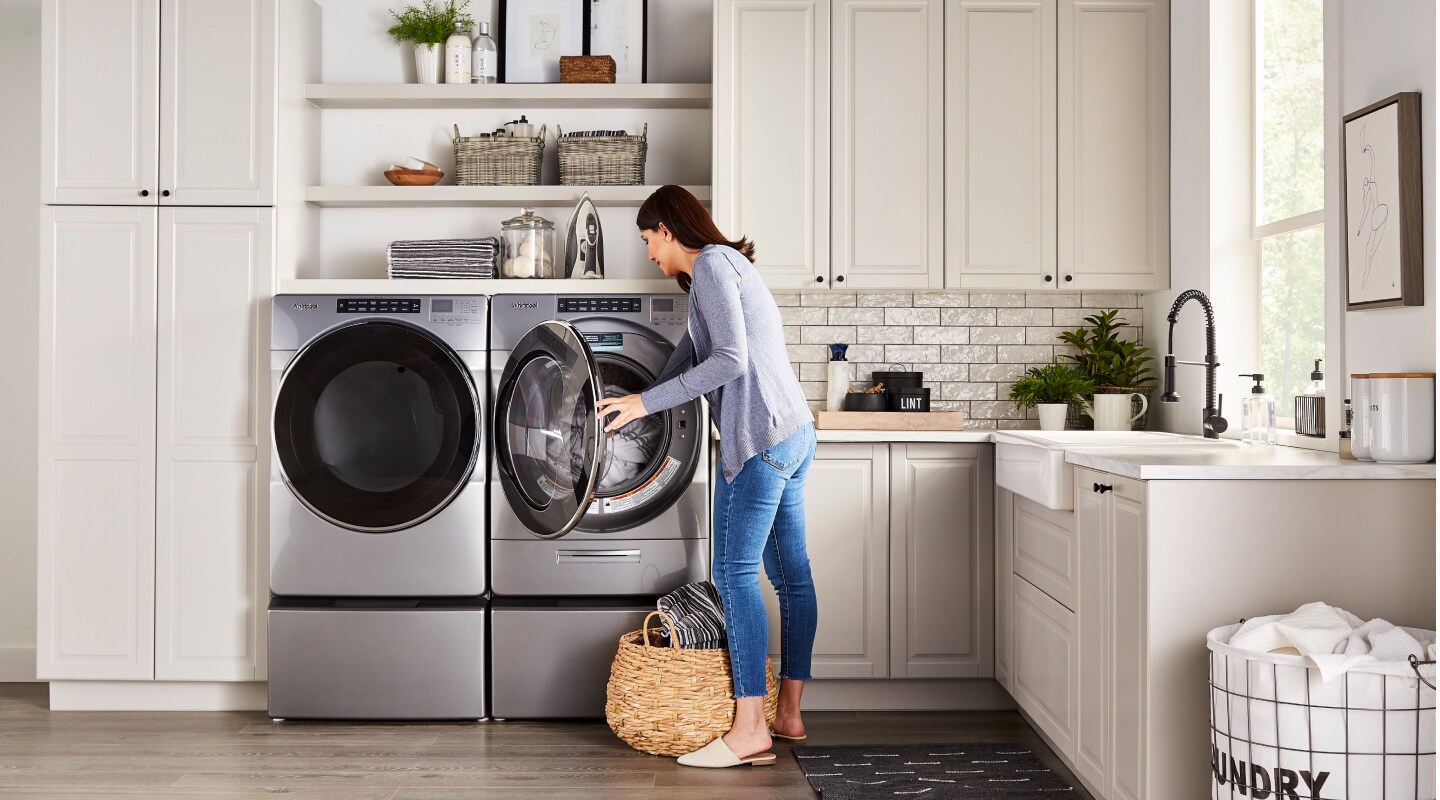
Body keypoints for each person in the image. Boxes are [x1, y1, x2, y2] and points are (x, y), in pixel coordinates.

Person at [596, 185, 818, 769]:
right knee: (790, 575)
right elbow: (691, 357)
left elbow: (730, 362)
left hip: (761, 438)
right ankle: (788, 714)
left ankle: (750, 729)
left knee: (734, 571)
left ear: (668, 229)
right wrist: (640, 400)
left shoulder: (715, 266)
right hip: (792, 430)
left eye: (648, 240)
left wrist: (645, 406)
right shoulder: (717, 274)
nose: (648, 254)